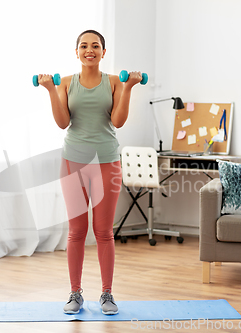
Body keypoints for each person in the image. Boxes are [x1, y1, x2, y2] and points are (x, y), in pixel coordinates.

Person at [37, 29, 143, 315]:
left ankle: (107, 294)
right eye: (84, 46)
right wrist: (50, 89)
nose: (89, 50)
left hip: (107, 162)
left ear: (103, 52)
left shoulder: (113, 83)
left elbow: (118, 121)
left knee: (104, 232)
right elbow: (62, 123)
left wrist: (129, 87)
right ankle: (75, 293)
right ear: (76, 52)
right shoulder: (67, 83)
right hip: (73, 162)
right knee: (76, 232)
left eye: (95, 46)